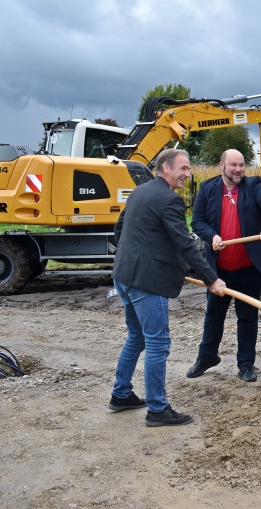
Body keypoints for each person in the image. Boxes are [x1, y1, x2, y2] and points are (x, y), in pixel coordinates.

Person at [108, 148, 226, 427]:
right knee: (157, 342)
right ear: (166, 168)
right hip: (146, 282)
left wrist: (137, 253)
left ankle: (121, 394)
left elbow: (119, 230)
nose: (188, 174)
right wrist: (212, 279)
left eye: (188, 169)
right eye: (183, 168)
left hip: (123, 275)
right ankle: (158, 409)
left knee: (136, 337)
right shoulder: (168, 200)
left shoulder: (140, 191)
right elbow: (185, 243)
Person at [186, 149, 261, 383]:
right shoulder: (208, 189)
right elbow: (197, 221)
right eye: (233, 165)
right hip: (218, 270)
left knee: (247, 317)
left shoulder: (253, 185)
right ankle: (207, 357)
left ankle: (246, 364)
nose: (238, 170)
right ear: (222, 165)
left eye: (241, 165)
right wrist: (212, 237)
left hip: (248, 268)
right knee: (213, 314)